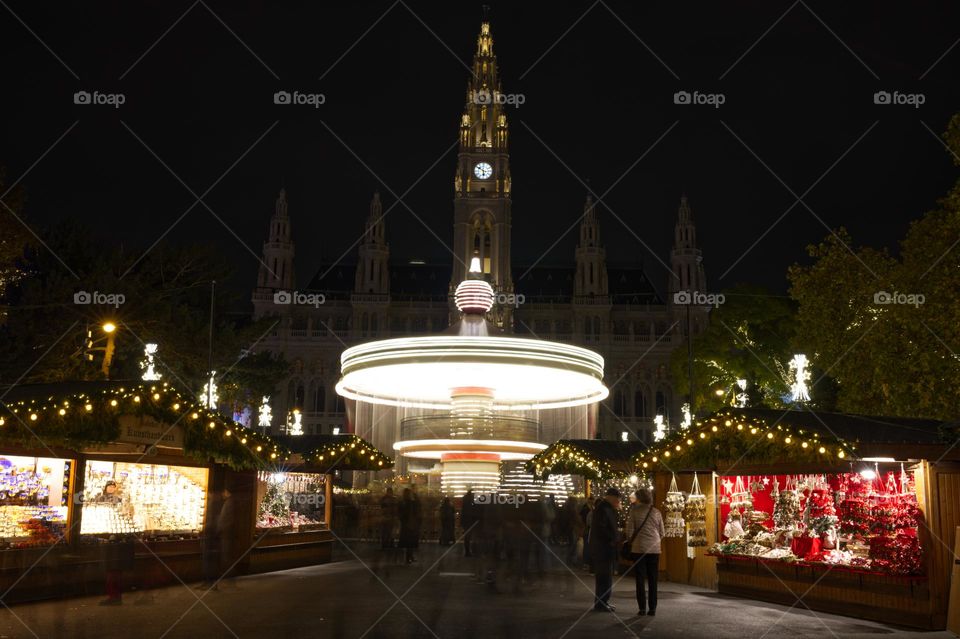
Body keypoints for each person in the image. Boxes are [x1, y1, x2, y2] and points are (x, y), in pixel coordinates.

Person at [625, 487, 665, 616]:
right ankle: (652, 608)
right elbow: (662, 532)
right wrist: (655, 540)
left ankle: (642, 608)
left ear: (639, 498)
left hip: (639, 548)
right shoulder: (656, 512)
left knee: (640, 578)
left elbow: (629, 531)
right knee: (653, 579)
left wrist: (631, 540)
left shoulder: (634, 511)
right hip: (654, 549)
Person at [587, 487, 621, 612]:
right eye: (617, 499)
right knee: (604, 577)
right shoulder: (604, 509)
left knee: (605, 576)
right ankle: (601, 603)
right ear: (611, 497)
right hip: (603, 548)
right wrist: (612, 538)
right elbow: (602, 529)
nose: (618, 502)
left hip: (603, 547)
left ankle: (603, 602)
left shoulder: (604, 508)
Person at [398, 488, 422, 564]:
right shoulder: (411, 503)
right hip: (410, 524)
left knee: (408, 541)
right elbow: (417, 508)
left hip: (406, 524)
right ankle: (409, 557)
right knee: (410, 541)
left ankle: (409, 556)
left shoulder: (403, 502)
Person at [461, 489, 477, 556]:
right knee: (470, 536)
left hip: (466, 521)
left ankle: (467, 551)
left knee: (467, 536)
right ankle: (469, 551)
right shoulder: (470, 504)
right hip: (469, 520)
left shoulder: (465, 502)